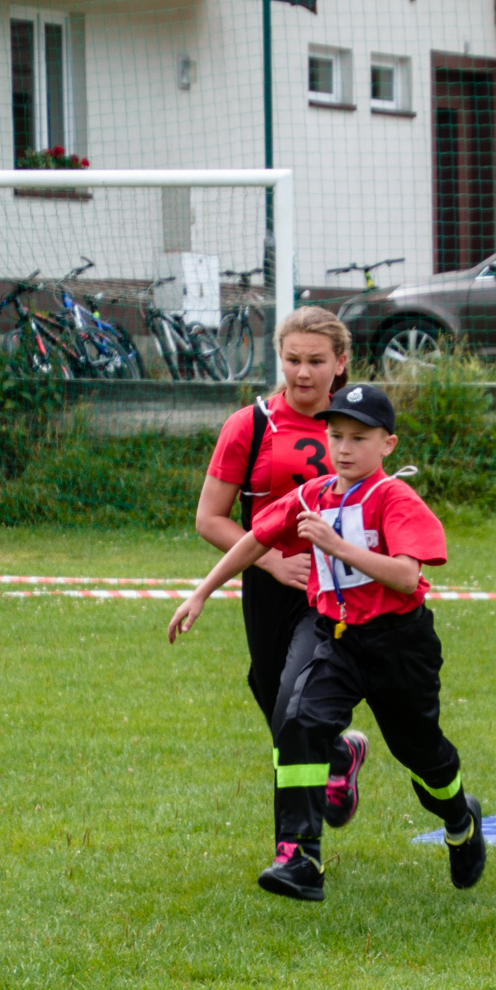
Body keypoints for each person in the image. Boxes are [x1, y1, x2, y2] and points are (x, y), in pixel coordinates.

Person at [170, 382, 485, 901]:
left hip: (398, 643)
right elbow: (255, 538)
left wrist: (337, 546)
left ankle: (460, 819)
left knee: (421, 753)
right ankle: (299, 857)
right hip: (335, 637)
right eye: (336, 436)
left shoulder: (395, 498)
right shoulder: (312, 495)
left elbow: (407, 576)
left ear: (388, 444)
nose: (344, 448)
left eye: (359, 438)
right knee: (296, 721)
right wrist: (201, 592)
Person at [196, 307, 350, 740]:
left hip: (331, 585)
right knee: (272, 693)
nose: (303, 373)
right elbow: (209, 519)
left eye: (316, 361)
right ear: (279, 357)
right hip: (265, 583)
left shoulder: (356, 426)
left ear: (340, 363)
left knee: (295, 699)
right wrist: (271, 560)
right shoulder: (249, 424)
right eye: (293, 360)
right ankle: (342, 755)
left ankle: (318, 775)